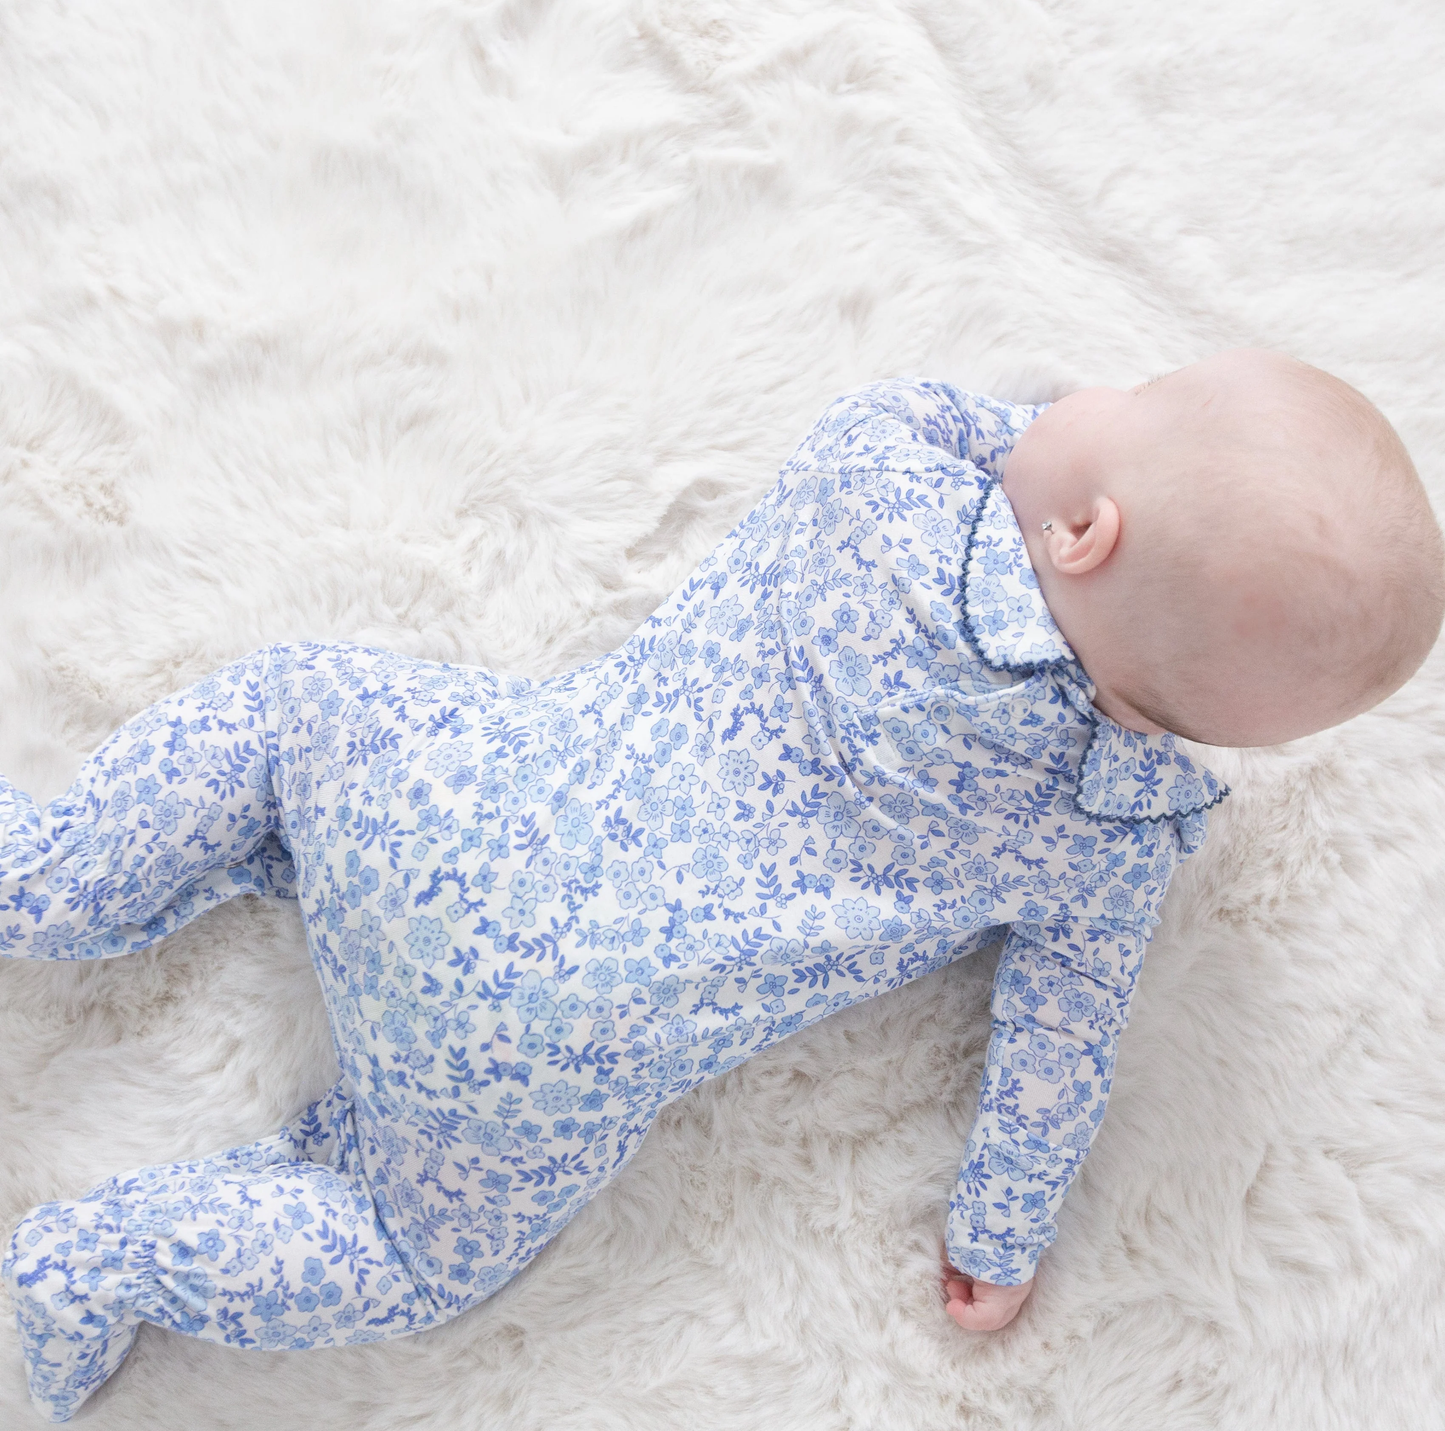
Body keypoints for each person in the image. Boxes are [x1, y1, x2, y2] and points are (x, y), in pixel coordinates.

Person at [3, 349, 1439, 1422]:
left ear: (1086, 529)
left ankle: (42, 878)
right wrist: (998, 1233)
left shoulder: (878, 470)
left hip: (440, 801)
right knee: (405, 1246)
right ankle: (103, 1263)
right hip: (529, 1055)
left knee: (289, 709)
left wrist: (1046, 449)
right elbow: (1059, 1051)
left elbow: (975, 419)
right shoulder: (1104, 835)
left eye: (1125, 389)